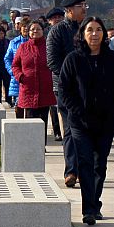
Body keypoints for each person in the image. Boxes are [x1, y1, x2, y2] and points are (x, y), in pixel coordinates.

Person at [59, 16, 114, 225]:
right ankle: (88, 210)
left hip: (106, 122)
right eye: (90, 29)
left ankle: (95, 202)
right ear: (82, 33)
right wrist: (77, 111)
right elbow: (65, 90)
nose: (94, 33)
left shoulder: (113, 59)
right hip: (80, 122)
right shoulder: (73, 59)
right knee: (85, 163)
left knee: (100, 165)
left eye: (98, 29)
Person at [47, 0, 88, 188]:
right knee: (71, 127)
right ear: (69, 10)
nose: (85, 9)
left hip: (88, 88)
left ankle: (86, 167)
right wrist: (72, 77)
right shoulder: (57, 31)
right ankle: (72, 170)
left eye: (85, 5)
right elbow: (53, 62)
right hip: (65, 87)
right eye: (81, 6)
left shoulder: (89, 29)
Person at [12, 20, 57, 132]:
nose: (35, 31)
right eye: (32, 29)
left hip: (45, 90)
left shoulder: (49, 46)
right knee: (29, 123)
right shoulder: (23, 47)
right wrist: (20, 76)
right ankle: (30, 148)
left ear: (43, 31)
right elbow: (15, 65)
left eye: (38, 29)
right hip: (28, 90)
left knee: (43, 121)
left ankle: (42, 147)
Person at [44, 8, 65, 140]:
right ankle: (57, 130)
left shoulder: (69, 32)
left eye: (59, 17)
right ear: (49, 21)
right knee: (55, 106)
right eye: (54, 18)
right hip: (54, 76)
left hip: (67, 76)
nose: (57, 19)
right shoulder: (48, 34)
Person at [5, 19, 29, 115]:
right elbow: (7, 58)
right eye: (24, 26)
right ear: (20, 28)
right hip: (17, 78)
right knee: (18, 104)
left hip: (30, 77)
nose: (26, 29)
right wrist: (12, 71)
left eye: (28, 27)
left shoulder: (34, 42)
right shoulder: (14, 43)